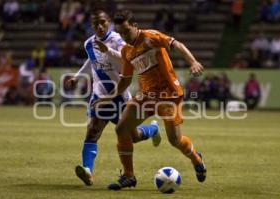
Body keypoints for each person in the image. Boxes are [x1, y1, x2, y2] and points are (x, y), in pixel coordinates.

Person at [93, 10, 207, 190]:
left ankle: (197, 159)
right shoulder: (126, 50)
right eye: (120, 32)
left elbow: (176, 44)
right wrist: (107, 98)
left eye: (126, 31)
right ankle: (129, 176)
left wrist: (192, 62)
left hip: (168, 95)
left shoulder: (150, 37)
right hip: (145, 96)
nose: (124, 36)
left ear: (135, 26)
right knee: (122, 128)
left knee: (174, 140)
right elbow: (125, 80)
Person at [66, 10, 161, 186]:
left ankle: (153, 130)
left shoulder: (119, 40)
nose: (100, 26)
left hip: (120, 96)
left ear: (109, 22)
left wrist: (108, 50)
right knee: (93, 131)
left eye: (103, 22)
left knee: (134, 136)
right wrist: (77, 76)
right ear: (91, 25)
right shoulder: (89, 44)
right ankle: (88, 171)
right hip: (100, 94)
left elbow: (127, 62)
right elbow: (91, 62)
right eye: (95, 24)